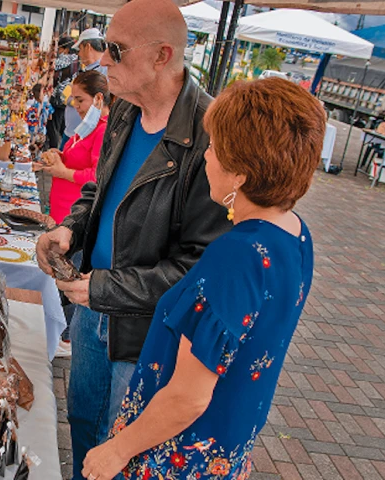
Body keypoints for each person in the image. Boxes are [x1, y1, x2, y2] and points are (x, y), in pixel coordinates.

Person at [81, 77, 323, 480]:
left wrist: (116, 450)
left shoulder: (236, 256)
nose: (207, 157)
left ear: (240, 175)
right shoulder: (295, 233)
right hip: (224, 446)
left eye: (214, 148)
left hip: (176, 456)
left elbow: (187, 398)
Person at [35, 1, 230, 477]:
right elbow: (99, 189)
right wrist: (70, 228)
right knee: (82, 421)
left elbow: (200, 267)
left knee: (122, 443)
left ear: (163, 55)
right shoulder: (124, 109)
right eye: (104, 47)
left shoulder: (208, 134)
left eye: (115, 51)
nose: (102, 60)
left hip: (145, 330)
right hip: (92, 309)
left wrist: (105, 289)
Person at [38, 70, 110, 224]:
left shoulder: (102, 130)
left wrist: (63, 172)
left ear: (98, 99)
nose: (75, 105)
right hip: (62, 209)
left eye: (80, 100)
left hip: (72, 215)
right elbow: (77, 157)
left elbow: (96, 176)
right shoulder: (90, 125)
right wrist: (60, 156)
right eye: (73, 99)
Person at [61, 28, 108, 149]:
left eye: (80, 49)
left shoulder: (104, 71)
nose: (79, 54)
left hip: (85, 137)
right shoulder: (88, 69)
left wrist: (71, 99)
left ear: (88, 47)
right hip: (74, 133)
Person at [48, 35, 79, 152]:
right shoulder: (77, 59)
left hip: (58, 97)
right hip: (67, 97)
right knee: (61, 125)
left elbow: (51, 64)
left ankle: (54, 150)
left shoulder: (65, 59)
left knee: (53, 126)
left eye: (60, 49)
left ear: (65, 49)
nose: (59, 51)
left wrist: (52, 52)